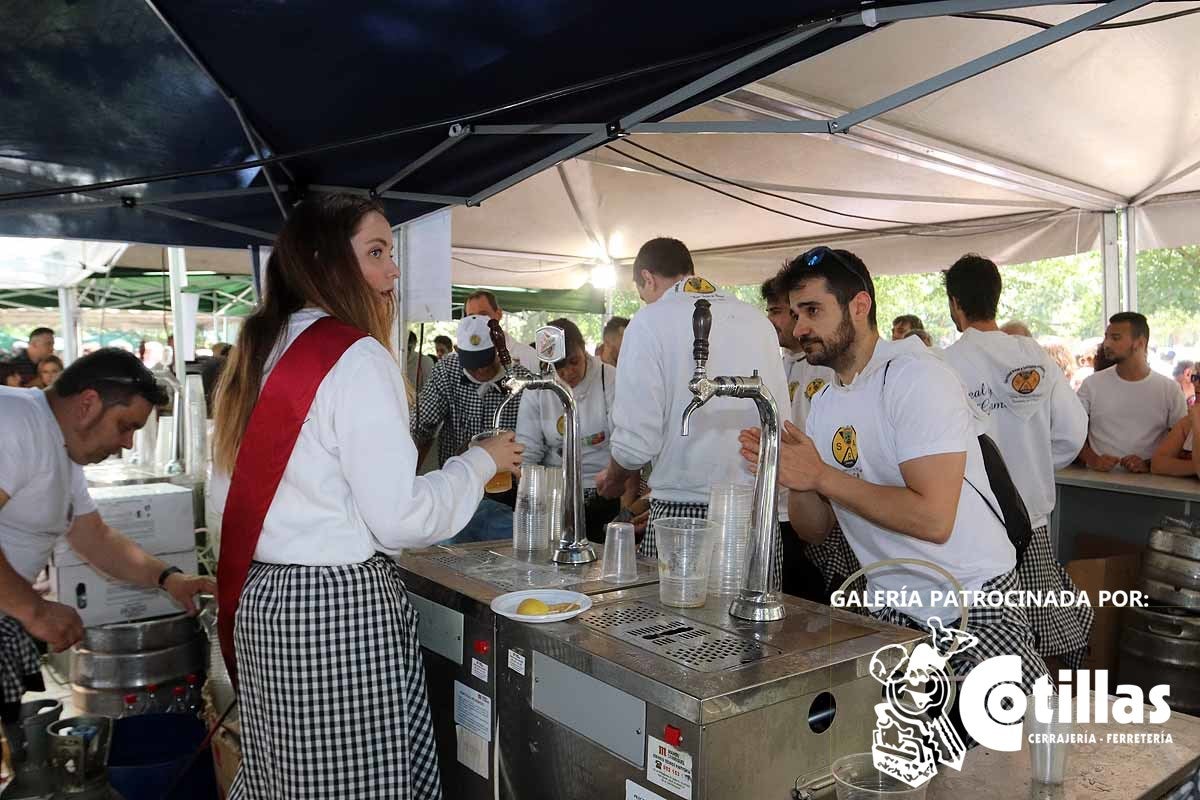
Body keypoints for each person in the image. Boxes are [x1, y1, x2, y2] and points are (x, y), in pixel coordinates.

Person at [209, 194, 523, 799]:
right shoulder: (354, 356)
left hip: (266, 601)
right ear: (326, 261)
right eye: (376, 253)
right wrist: (478, 462)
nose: (393, 271)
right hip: (333, 611)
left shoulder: (262, 347)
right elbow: (398, 516)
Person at [744, 246, 1047, 715]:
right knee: (903, 767)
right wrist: (795, 477)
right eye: (796, 313)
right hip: (894, 613)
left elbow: (933, 518)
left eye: (813, 311)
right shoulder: (825, 401)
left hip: (973, 603)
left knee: (990, 771)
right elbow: (816, 530)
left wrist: (822, 474)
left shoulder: (916, 377)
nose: (799, 328)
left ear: (859, 306)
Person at [0, 348, 214, 722]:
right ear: (88, 403)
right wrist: (33, 610)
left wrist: (169, 579)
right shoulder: (16, 422)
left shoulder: (60, 449)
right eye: (125, 426)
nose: (127, 444)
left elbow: (94, 536)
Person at [596, 237, 790, 591]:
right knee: (752, 638)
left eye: (643, 293)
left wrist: (612, 477)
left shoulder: (649, 321)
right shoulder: (756, 321)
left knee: (674, 637)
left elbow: (635, 444)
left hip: (681, 515)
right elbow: (781, 423)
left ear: (647, 279)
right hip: (755, 513)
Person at [942, 254, 1092, 669]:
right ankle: (1042, 721)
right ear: (996, 297)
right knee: (1044, 637)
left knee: (986, 644)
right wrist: (1035, 465)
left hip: (973, 528)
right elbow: (1072, 433)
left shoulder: (944, 365)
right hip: (1035, 524)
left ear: (955, 303)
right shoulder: (1036, 358)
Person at [411, 315, 534, 542]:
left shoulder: (522, 381)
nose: (479, 371)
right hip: (458, 489)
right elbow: (420, 425)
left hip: (508, 496)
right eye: (472, 364)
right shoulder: (447, 371)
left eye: (485, 362)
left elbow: (535, 444)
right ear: (457, 351)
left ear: (500, 349)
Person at [762, 275, 835, 601]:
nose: (770, 321)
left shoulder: (827, 368)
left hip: (816, 511)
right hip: (778, 509)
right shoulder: (776, 364)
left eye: (776, 311)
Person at [516, 318, 621, 541]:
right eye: (559, 366)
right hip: (554, 491)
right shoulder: (538, 386)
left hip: (603, 488)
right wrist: (529, 496)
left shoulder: (609, 378)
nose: (568, 372)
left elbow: (622, 441)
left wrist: (613, 484)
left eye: (574, 361)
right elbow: (528, 451)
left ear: (584, 349)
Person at [1077, 313, 1186, 473]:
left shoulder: (1169, 389)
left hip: (1152, 486)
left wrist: (1148, 464)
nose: (1107, 343)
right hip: (1098, 482)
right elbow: (1069, 429)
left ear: (1140, 343)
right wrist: (1092, 459)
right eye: (1106, 337)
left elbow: (1181, 442)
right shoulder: (1091, 384)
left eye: (1115, 338)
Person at [462, 290, 539, 372]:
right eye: (472, 317)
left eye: (483, 314)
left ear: (498, 314)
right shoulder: (462, 359)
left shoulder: (529, 356)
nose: (477, 322)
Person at [1151, 399, 1200, 477]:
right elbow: (1157, 464)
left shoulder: (1195, 417)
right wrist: (1196, 467)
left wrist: (1197, 422)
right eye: (1196, 385)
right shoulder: (1187, 422)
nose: (1197, 386)